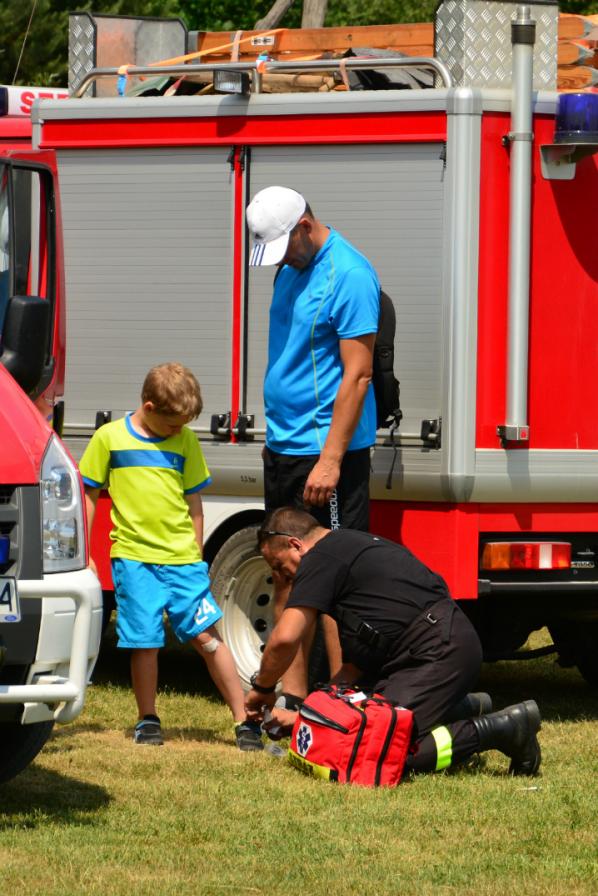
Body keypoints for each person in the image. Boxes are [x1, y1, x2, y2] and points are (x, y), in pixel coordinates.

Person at [245, 507, 542, 777]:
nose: (281, 576)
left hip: (439, 651)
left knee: (386, 749)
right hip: (437, 646)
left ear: (295, 545)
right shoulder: (345, 552)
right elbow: (352, 671)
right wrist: (308, 717)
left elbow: (285, 639)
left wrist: (262, 690)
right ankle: (463, 708)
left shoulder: (320, 558)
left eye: (279, 565)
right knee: (360, 728)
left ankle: (504, 729)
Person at [79, 362, 263, 751]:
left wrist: (196, 553)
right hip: (134, 561)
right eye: (172, 424)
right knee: (145, 642)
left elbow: (193, 502)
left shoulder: (185, 441)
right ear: (148, 407)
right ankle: (148, 719)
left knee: (207, 637)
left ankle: (243, 720)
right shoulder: (109, 439)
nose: (178, 431)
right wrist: (85, 551)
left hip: (182, 562)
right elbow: (89, 496)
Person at [246, 185, 380, 702]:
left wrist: (330, 460)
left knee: (337, 581)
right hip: (285, 447)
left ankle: (343, 703)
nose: (282, 260)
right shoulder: (289, 268)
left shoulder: (350, 274)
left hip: (323, 457)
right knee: (286, 572)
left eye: (286, 248)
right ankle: (293, 700)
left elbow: (358, 375)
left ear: (305, 225)